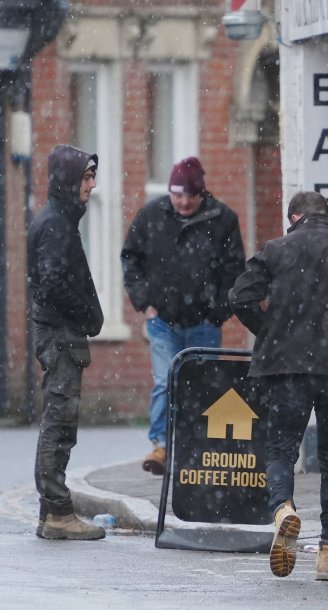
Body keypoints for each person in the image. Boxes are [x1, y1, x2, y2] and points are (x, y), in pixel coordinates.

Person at [228, 191, 328, 582]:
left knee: (281, 449)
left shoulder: (276, 250)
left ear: (295, 216)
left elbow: (239, 296)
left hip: (288, 368)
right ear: (327, 215)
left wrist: (270, 332)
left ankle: (283, 508)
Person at [121, 156, 246, 475]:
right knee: (165, 381)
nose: (183, 202)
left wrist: (219, 311)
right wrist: (145, 302)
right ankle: (161, 445)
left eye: (189, 195)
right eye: (177, 195)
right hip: (163, 321)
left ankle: (198, 447)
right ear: (170, 193)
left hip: (204, 322)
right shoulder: (152, 216)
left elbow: (235, 269)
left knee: (204, 387)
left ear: (201, 193)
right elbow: (131, 259)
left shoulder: (223, 219)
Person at [27, 144, 105, 540]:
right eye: (86, 178)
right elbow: (52, 282)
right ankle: (58, 512)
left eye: (92, 177)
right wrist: (86, 315)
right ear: (68, 181)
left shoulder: (57, 219)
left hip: (58, 333)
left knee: (59, 421)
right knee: (59, 422)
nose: (91, 185)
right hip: (60, 335)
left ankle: (51, 513)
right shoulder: (56, 223)